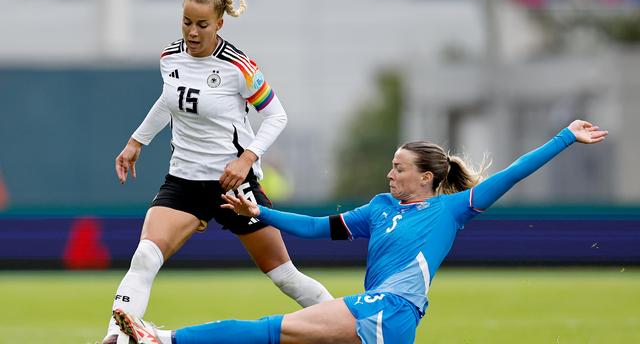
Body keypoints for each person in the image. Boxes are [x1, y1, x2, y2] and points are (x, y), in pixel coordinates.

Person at [110, 120, 608, 344]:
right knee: (275, 333)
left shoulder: (452, 210)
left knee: (272, 330)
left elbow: (514, 172)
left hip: (392, 308)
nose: (390, 175)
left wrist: (566, 137)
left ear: (426, 178)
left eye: (398, 168)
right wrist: (258, 213)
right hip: (384, 318)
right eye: (390, 167)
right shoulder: (379, 208)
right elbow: (316, 229)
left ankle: (164, 339)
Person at [102, 0, 334, 343]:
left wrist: (247, 159)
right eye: (186, 23)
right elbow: (168, 101)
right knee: (145, 256)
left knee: (285, 276)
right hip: (183, 181)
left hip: (233, 186)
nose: (193, 32)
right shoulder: (170, 57)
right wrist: (137, 141)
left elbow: (276, 115)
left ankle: (348, 329)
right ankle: (116, 337)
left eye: (202, 25)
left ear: (220, 24)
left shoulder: (237, 67)